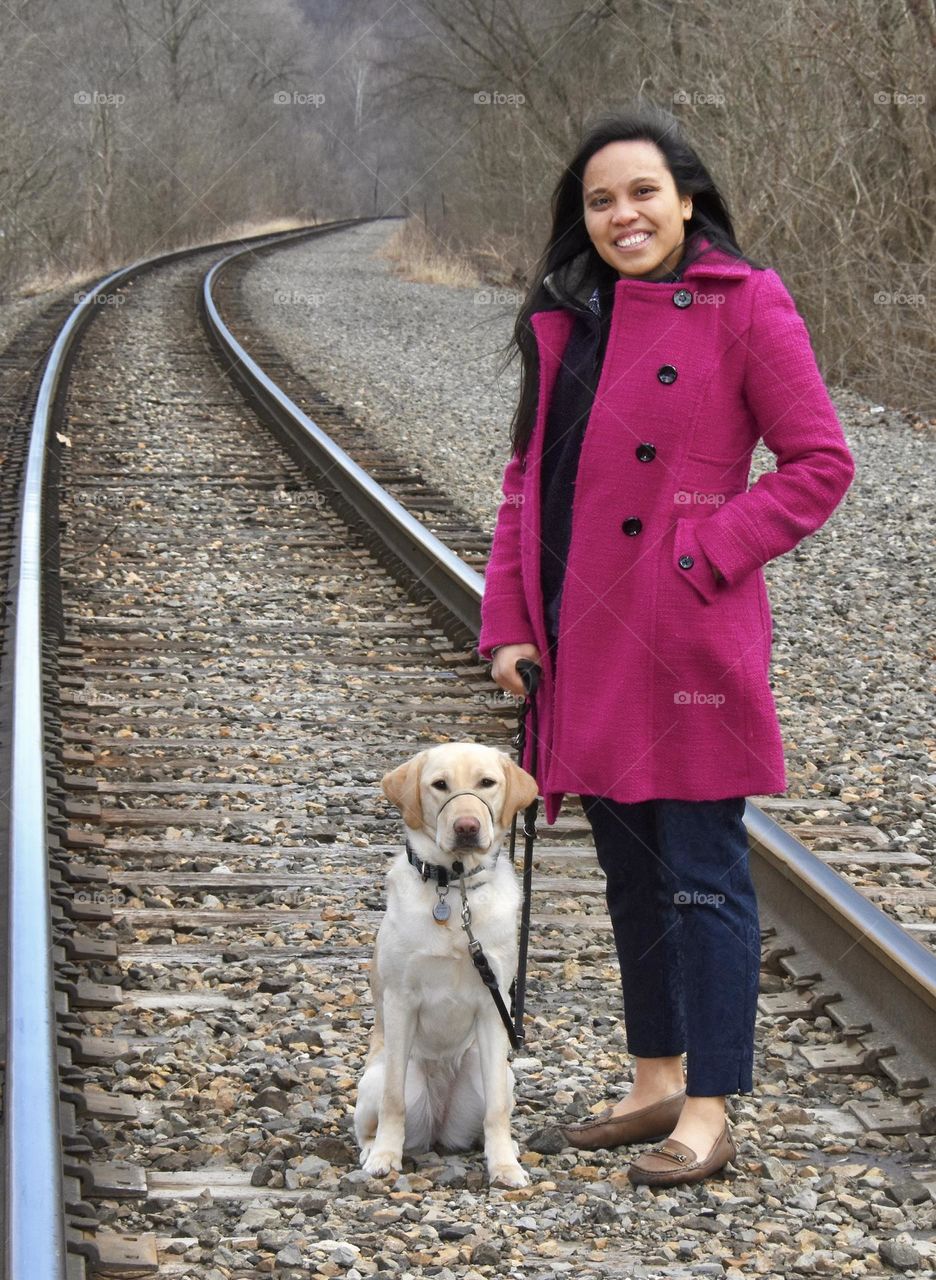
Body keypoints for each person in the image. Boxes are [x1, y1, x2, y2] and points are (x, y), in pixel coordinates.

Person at [476, 102, 855, 1187]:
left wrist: (699, 553)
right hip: (579, 635)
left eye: (643, 191)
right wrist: (507, 619)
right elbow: (524, 481)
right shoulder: (567, 318)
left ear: (687, 197)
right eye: (600, 200)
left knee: (701, 872)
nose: (622, 213)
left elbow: (819, 463)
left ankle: (709, 1102)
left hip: (684, 636)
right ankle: (652, 1079)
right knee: (632, 873)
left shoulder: (746, 304)